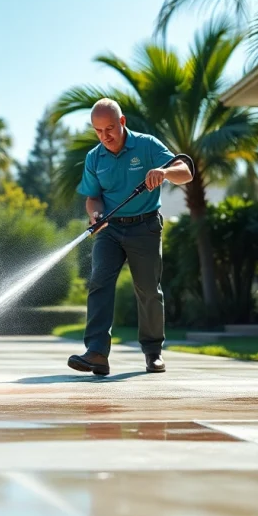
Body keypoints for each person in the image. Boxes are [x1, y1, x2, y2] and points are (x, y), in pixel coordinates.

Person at [68, 98, 192, 376]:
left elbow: (185, 172)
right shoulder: (94, 157)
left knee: (148, 289)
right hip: (109, 229)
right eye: (98, 131)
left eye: (110, 128)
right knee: (99, 283)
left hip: (145, 227)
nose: (105, 136)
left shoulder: (146, 145)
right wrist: (96, 215)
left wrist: (164, 172)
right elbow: (93, 197)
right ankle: (97, 353)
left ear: (122, 122)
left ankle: (153, 352)